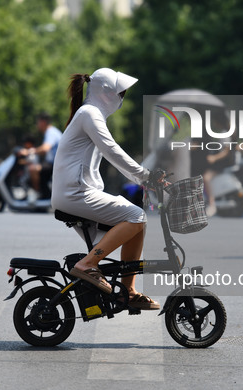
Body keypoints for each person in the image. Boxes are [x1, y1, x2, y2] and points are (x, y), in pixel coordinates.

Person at [51, 68, 160, 310]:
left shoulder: (90, 114)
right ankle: (87, 265)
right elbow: (112, 150)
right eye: (121, 93)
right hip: (75, 194)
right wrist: (146, 177)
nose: (123, 98)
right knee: (137, 216)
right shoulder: (90, 114)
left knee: (138, 224)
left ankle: (128, 291)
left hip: (77, 192)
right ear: (106, 93)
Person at [19, 112, 62, 199]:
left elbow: (45, 148)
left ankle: (38, 193)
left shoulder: (51, 132)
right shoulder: (50, 132)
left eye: (37, 122)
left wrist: (29, 151)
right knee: (35, 169)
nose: (37, 125)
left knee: (33, 169)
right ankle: (44, 193)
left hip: (55, 164)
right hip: (52, 164)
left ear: (43, 122)